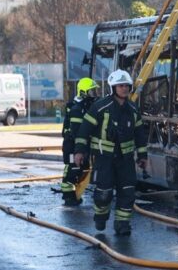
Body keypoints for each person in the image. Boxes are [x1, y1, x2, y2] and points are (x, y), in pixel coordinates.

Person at [74, 70, 148, 236]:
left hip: (126, 160)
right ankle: (100, 216)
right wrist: (79, 151)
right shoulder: (100, 107)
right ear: (113, 87)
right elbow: (84, 129)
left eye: (127, 86)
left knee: (128, 191)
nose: (124, 89)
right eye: (120, 86)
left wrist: (142, 156)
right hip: (104, 158)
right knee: (104, 192)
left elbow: (140, 134)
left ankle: (122, 224)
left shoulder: (133, 109)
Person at [60, 77, 99, 206]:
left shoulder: (85, 107)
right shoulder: (77, 109)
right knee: (73, 169)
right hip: (72, 146)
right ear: (83, 92)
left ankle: (74, 194)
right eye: (92, 92)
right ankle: (68, 196)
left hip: (79, 146)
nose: (94, 95)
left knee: (83, 168)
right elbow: (77, 132)